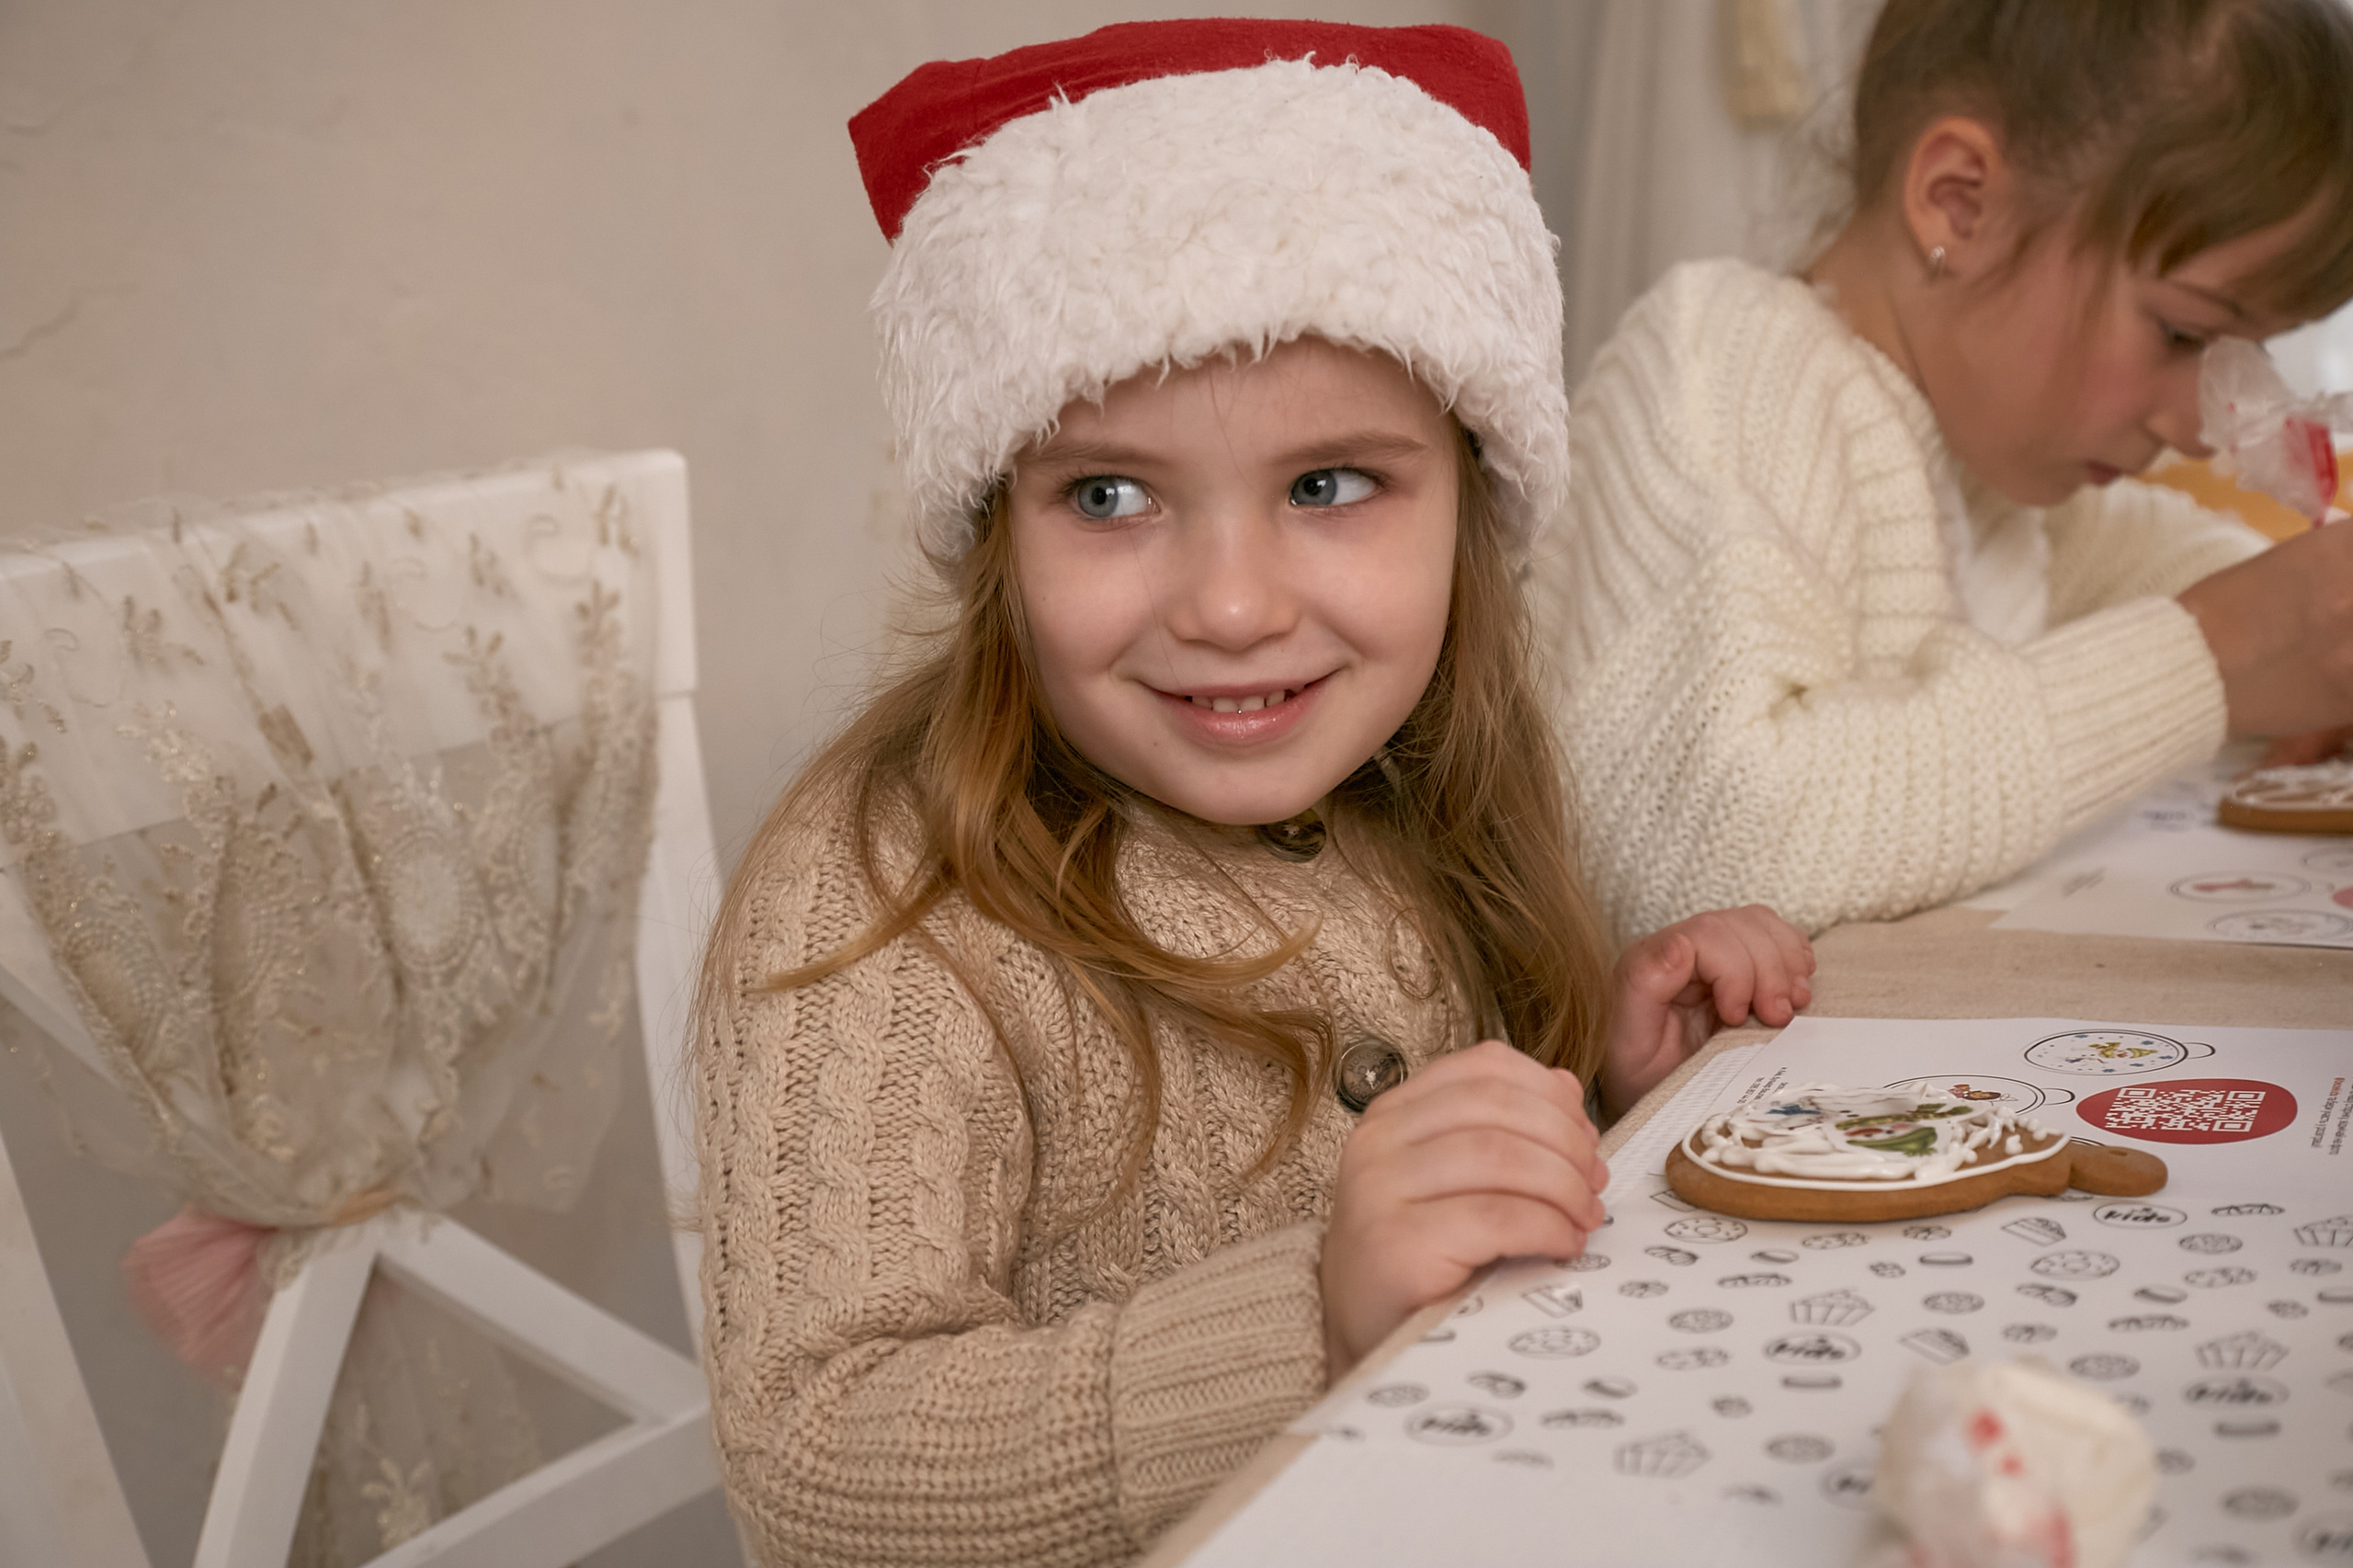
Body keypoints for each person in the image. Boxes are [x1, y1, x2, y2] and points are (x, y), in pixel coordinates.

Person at [690, 21, 1813, 1566]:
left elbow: (1456, 1248)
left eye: (1328, 485)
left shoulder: (1413, 784)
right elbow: (816, 1467)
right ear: (995, 526)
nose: (1230, 606)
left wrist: (1611, 1092)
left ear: (1470, 497)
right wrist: (1309, 1315)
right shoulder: (886, 895)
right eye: (1109, 494)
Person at [1538, 0, 2353, 941]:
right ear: (1959, 202)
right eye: (2182, 332)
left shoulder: (1981, 453)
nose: (2199, 427)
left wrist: (2300, 627)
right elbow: (1697, 854)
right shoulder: (1728, 368)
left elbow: (2151, 562)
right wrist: (2218, 653)